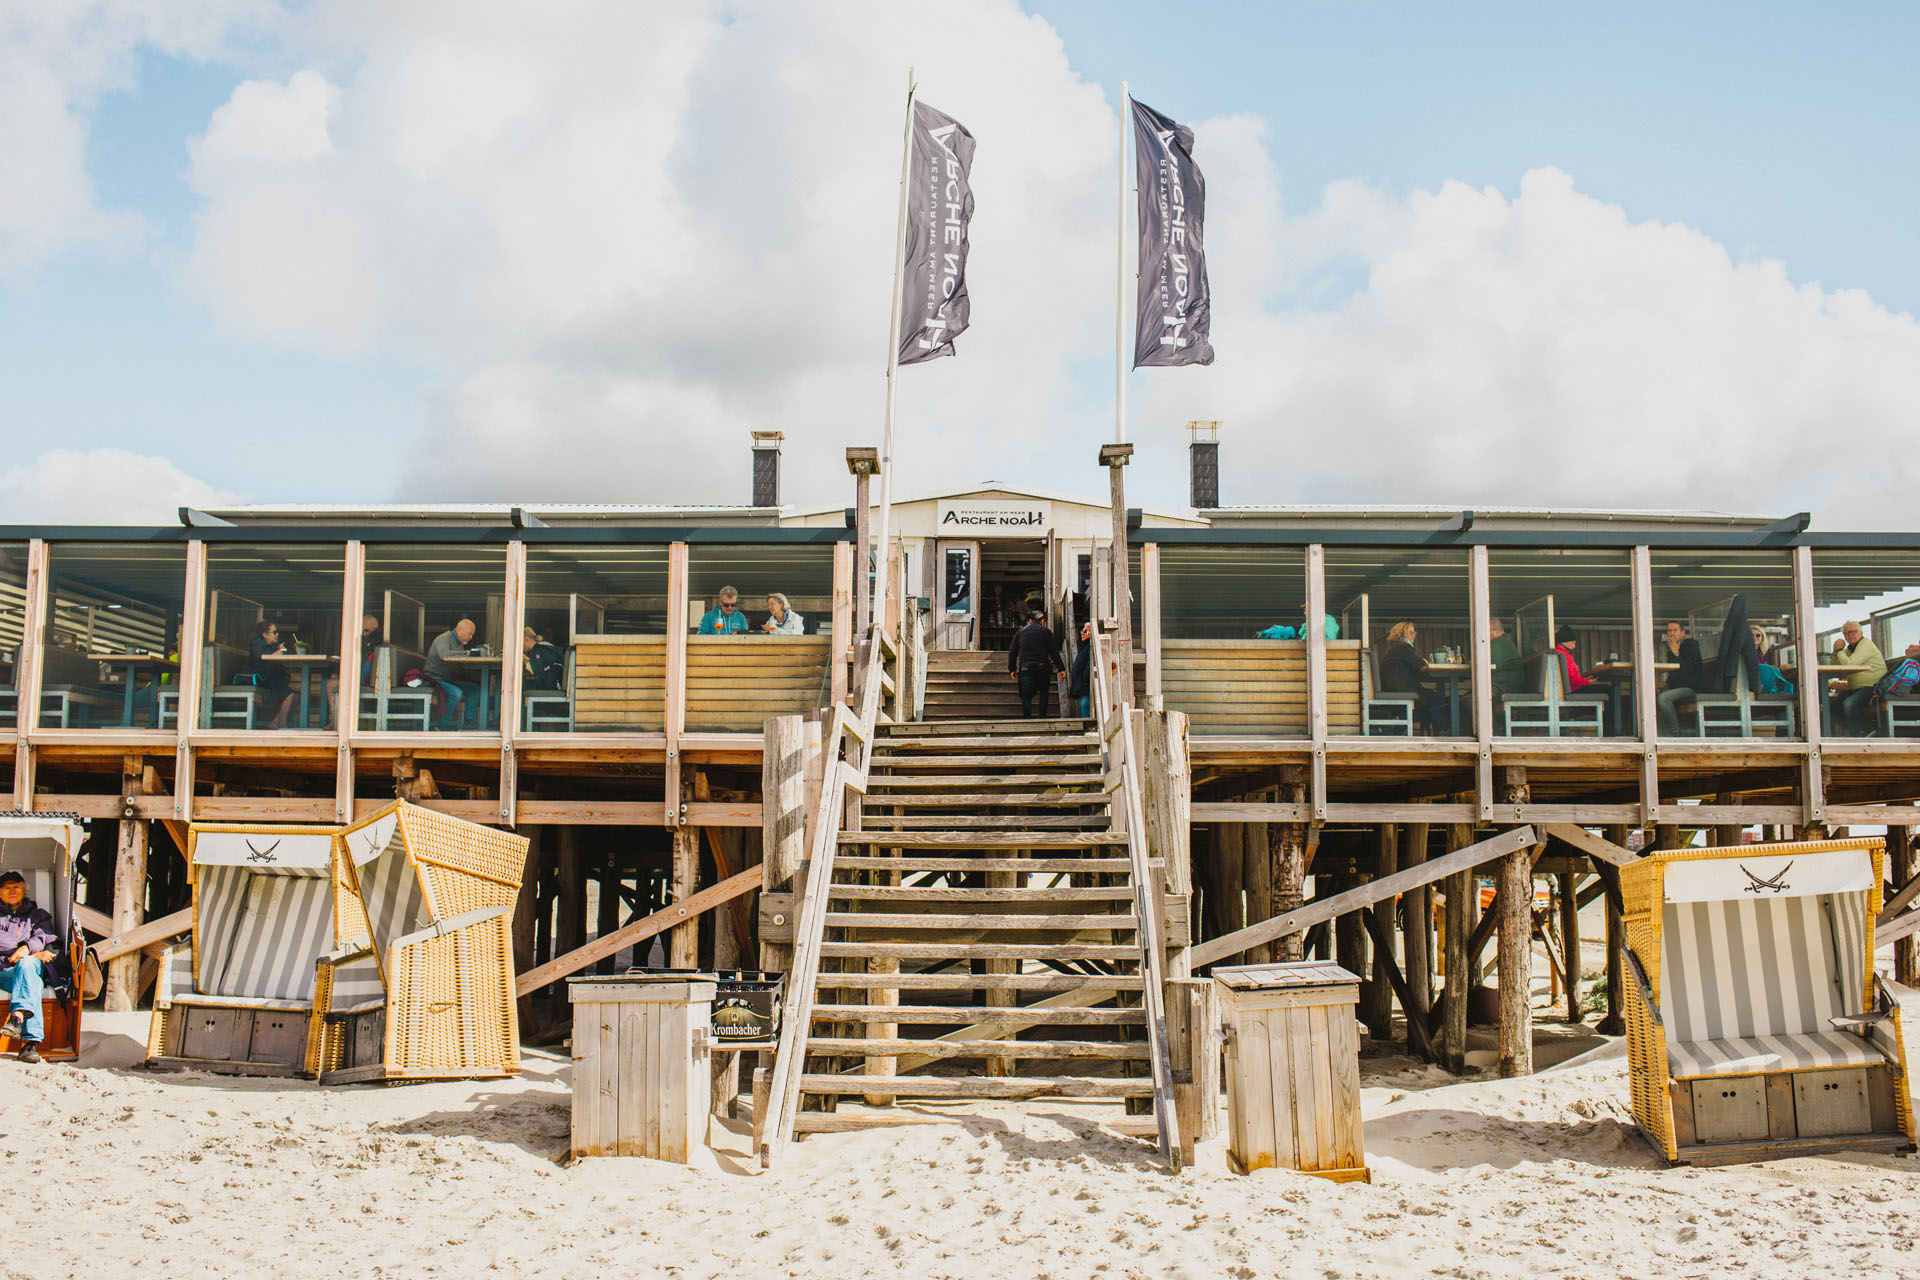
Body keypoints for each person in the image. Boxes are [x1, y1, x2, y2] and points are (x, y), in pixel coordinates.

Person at [0, 870, 60, 1064]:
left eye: (16, 887)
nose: (12, 891)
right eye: (6, 888)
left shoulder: (39, 916)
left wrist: (27, 950)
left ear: (24, 890)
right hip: (3, 972)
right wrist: (30, 950)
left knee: (28, 966)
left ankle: (17, 1017)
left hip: (27, 968)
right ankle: (29, 1045)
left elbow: (45, 937)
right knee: (31, 980)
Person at [1378, 621, 1448, 734]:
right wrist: (1423, 661)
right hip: (1399, 690)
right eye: (1410, 633)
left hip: (1393, 688)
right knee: (1435, 699)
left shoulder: (1395, 648)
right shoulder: (1402, 647)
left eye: (1414, 632)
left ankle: (1394, 731)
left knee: (1426, 701)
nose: (1413, 635)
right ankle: (1444, 732)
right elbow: (1419, 664)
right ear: (1401, 634)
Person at [1829, 619, 1887, 736]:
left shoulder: (1865, 644)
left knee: (1849, 704)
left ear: (1860, 633)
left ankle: (1864, 731)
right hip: (1858, 688)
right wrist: (1836, 652)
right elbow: (1836, 668)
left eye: (1853, 632)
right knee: (1832, 706)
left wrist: (1840, 650)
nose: (1850, 635)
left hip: (1873, 686)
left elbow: (1850, 664)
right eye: (1846, 633)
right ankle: (1851, 730)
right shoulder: (1850, 649)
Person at [325, 613, 382, 730]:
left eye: (364, 629)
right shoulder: (378, 639)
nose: (362, 632)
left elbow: (366, 668)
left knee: (331, 683)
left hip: (365, 681)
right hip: (372, 680)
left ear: (371, 626)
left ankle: (334, 721)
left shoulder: (373, 642)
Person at [424, 618, 481, 731]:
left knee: (474, 688)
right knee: (456, 693)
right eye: (469, 634)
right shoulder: (444, 638)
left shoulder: (459, 644)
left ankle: (468, 722)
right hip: (433, 678)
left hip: (447, 680)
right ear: (460, 630)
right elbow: (443, 655)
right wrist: (466, 653)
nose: (471, 638)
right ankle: (442, 725)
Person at [1656, 620, 1710, 736]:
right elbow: (1673, 673)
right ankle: (1662, 734)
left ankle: (1675, 733)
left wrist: (1676, 654)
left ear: (1682, 633)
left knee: (1663, 698)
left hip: (1691, 687)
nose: (1671, 633)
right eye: (1669, 631)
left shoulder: (1691, 645)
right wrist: (1664, 685)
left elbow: (1687, 673)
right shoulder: (1672, 649)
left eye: (1675, 630)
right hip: (1678, 687)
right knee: (1652, 698)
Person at [1007, 609, 1064, 718]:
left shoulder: (1020, 632)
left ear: (1030, 620)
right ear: (1043, 621)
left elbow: (1012, 652)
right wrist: (1061, 669)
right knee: (1043, 692)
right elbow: (1053, 652)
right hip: (1042, 666)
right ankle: (1042, 716)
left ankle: (1027, 718)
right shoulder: (1046, 632)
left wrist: (1012, 669)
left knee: (1026, 695)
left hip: (1026, 667)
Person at [1553, 624, 1611, 731]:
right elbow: (1572, 679)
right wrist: (1587, 682)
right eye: (1573, 643)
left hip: (1571, 688)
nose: (1574, 646)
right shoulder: (1564, 656)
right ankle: (1609, 728)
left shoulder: (1559, 653)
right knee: (1608, 690)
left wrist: (1585, 679)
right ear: (1566, 642)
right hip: (1573, 690)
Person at [247, 619, 299, 730]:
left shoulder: (272, 645)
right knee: (290, 695)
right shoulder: (257, 643)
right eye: (274, 632)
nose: (277, 634)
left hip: (272, 679)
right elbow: (259, 656)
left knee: (295, 696)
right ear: (264, 635)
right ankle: (281, 724)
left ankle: (275, 723)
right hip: (262, 679)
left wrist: (278, 650)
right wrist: (275, 653)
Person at [1488, 618, 1525, 697]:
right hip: (1506, 686)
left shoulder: (1498, 644)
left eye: (1486, 631)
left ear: (1497, 631)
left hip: (1506, 688)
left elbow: (1484, 666)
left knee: (1468, 702)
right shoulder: (1505, 641)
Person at [523, 626, 563, 691]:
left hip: (550, 686)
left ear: (526, 639)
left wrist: (524, 660)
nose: (521, 646)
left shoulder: (537, 651)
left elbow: (536, 672)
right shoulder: (542, 647)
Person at [1068, 621, 1093, 718]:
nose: (1082, 633)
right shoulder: (1085, 647)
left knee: (1085, 707)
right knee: (1083, 710)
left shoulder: (1090, 647)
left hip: (1086, 687)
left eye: (1085, 631)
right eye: (1082, 631)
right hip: (1082, 687)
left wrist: (1085, 679)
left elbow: (1089, 666)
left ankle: (1088, 730)